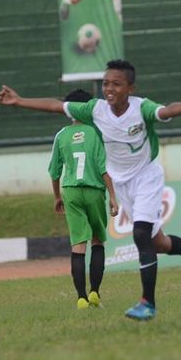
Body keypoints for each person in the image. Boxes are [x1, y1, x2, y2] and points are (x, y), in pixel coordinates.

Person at [0, 59, 181, 321]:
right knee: (157, 243)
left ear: (130, 88)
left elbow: (166, 111)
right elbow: (56, 105)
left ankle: (147, 303)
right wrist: (19, 100)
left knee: (140, 234)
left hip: (146, 177)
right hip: (121, 183)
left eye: (116, 83)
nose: (109, 88)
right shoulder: (96, 109)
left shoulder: (141, 108)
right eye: (105, 83)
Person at [48, 88, 119, 310]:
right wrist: (113, 198)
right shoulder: (98, 133)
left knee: (78, 245)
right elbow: (104, 168)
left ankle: (80, 298)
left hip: (70, 191)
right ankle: (95, 292)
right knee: (97, 241)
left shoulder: (61, 135)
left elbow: (54, 171)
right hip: (94, 191)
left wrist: (57, 197)